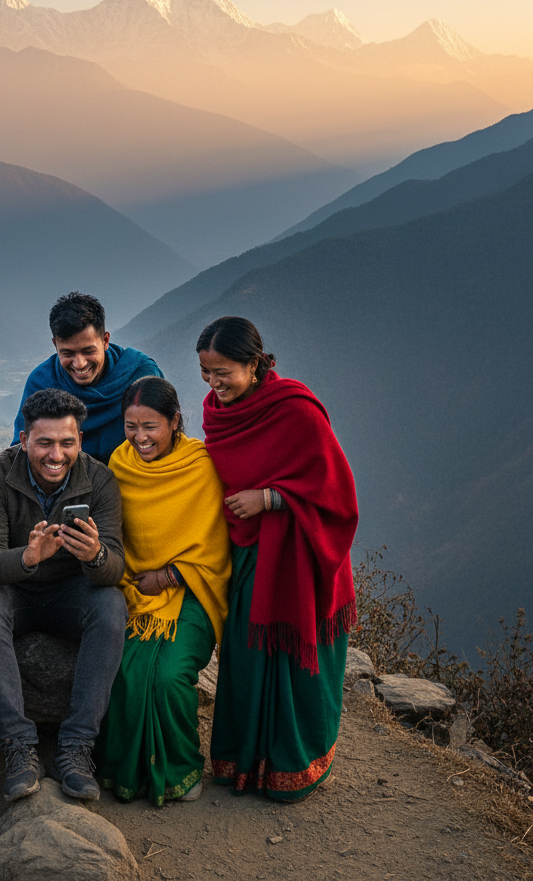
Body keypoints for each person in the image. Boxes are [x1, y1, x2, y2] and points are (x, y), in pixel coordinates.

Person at [197, 317, 358, 803]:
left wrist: (269, 499)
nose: (213, 384)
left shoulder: (295, 412)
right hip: (247, 555)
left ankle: (292, 768)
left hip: (298, 560)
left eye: (223, 372)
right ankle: (243, 765)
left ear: (254, 364)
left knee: (293, 666)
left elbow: (336, 495)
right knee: (247, 660)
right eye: (205, 372)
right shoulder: (216, 412)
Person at [0, 388, 127, 802]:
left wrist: (95, 555)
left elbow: (114, 570)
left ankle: (76, 748)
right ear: (24, 440)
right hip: (14, 591)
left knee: (110, 605)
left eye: (67, 443)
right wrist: (28, 556)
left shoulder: (100, 480)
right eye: (44, 443)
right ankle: (19, 747)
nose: (56, 455)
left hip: (69, 595)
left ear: (79, 441)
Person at [98, 377, 231, 805]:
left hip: (193, 591)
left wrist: (170, 576)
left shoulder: (201, 466)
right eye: (131, 426)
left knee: (171, 675)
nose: (139, 438)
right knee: (123, 670)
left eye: (150, 426)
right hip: (135, 591)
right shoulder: (118, 466)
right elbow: (118, 540)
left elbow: (214, 546)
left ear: (175, 421)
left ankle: (180, 770)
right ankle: (124, 772)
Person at [11, 292, 162, 464]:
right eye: (68, 353)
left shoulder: (140, 374)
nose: (80, 364)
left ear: (105, 340)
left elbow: (165, 437)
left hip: (135, 478)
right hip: (65, 484)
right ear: (55, 345)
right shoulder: (42, 382)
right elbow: (23, 451)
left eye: (88, 351)